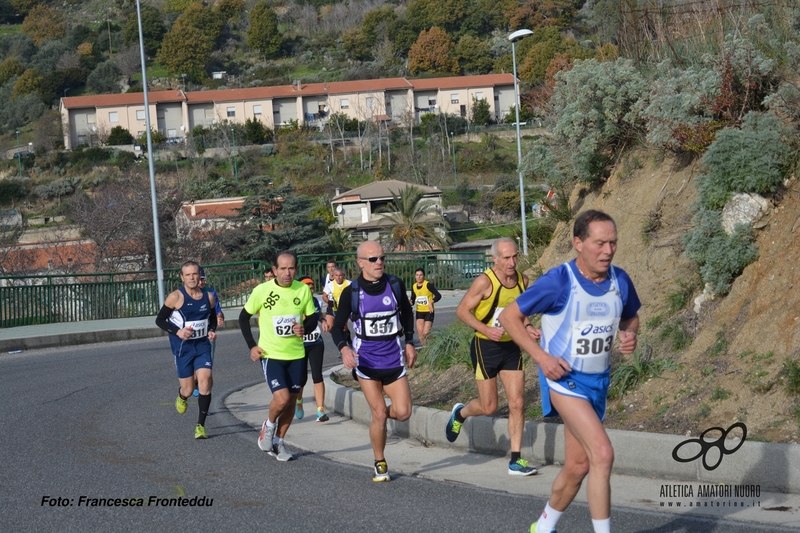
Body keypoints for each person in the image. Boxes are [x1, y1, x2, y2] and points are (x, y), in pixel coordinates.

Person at [499, 210, 641, 533]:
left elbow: (630, 316)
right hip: (565, 382)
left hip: (598, 384)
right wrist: (541, 357)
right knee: (602, 453)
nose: (608, 251)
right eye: (600, 243)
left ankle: (544, 526)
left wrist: (630, 333)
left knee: (578, 466)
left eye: (613, 243)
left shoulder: (620, 280)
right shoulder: (559, 281)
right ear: (578, 243)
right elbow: (509, 317)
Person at [446, 237, 539, 476]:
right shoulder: (484, 282)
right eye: (506, 258)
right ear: (494, 259)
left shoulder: (523, 280)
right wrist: (486, 329)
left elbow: (522, 313)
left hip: (511, 348)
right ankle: (461, 413)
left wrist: (528, 328)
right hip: (485, 347)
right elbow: (462, 311)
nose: (512, 262)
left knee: (517, 403)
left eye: (515, 256)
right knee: (489, 407)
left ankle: (516, 460)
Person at [331, 241, 416, 482]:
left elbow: (407, 314)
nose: (379, 262)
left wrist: (409, 341)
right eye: (372, 259)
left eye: (381, 258)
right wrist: (344, 348)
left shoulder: (395, 285)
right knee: (379, 413)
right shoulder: (353, 292)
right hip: (366, 361)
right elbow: (337, 327)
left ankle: (377, 422)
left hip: (393, 358)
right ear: (360, 263)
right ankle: (380, 462)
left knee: (403, 412)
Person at [239, 251, 318, 462]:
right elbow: (243, 317)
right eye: (282, 268)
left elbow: (313, 317)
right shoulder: (262, 290)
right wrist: (251, 346)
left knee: (291, 401)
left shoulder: (302, 290)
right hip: (271, 354)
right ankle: (269, 426)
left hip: (297, 354)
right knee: (281, 398)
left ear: (297, 270)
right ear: (274, 270)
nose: (287, 273)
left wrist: (304, 328)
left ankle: (279, 442)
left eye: (291, 268)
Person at [155, 260, 218, 440]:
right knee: (189, 390)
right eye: (188, 274)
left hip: (202, 347)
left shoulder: (209, 297)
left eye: (195, 274)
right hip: (183, 349)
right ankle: (182, 396)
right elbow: (160, 320)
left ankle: (200, 426)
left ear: (199, 276)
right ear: (182, 277)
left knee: (205, 381)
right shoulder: (176, 297)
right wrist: (178, 331)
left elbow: (212, 320)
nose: (192, 277)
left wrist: (212, 331)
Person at [295, 276, 331, 422]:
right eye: (307, 288)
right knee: (301, 378)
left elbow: (318, 314)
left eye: (312, 287)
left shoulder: (315, 301)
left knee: (317, 376)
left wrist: (322, 320)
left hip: (316, 342)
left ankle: (320, 410)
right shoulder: (295, 302)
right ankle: (298, 402)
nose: (311, 290)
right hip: (300, 345)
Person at [194, 268, 225, 397]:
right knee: (193, 374)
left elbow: (218, 311)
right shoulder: (184, 294)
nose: (201, 282)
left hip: (208, 335)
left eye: (203, 279)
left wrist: (220, 318)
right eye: (199, 279)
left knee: (207, 371)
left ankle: (205, 398)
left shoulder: (210, 293)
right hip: (191, 337)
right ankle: (194, 384)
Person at [409, 268, 442, 347]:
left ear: (423, 276)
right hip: (419, 312)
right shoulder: (414, 286)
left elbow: (438, 295)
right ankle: (425, 350)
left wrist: (431, 301)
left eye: (420, 275)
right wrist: (410, 302)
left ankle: (439, 339)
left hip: (428, 311)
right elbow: (413, 299)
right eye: (417, 275)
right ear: (415, 276)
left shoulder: (428, 285)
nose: (419, 277)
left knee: (426, 333)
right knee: (421, 334)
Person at [323, 267, 350, 331]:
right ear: (334, 276)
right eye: (336, 275)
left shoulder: (349, 284)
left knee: (343, 328)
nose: (338, 277)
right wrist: (329, 301)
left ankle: (346, 336)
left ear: (343, 275)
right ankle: (338, 337)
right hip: (333, 308)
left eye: (340, 275)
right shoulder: (330, 285)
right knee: (329, 327)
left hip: (344, 309)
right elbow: (324, 296)